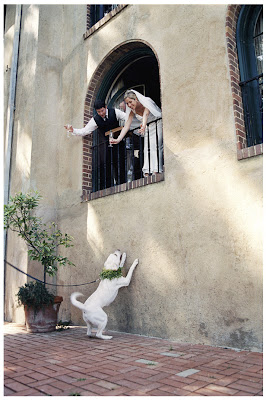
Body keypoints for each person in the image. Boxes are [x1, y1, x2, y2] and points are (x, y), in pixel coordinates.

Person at [64, 100, 126, 189]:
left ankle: (122, 186)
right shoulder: (95, 119)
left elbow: (127, 118)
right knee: (107, 167)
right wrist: (73, 130)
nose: (101, 113)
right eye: (98, 112)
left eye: (102, 110)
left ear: (105, 107)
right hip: (107, 147)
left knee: (120, 165)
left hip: (119, 143)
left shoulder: (115, 112)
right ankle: (109, 188)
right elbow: (85, 131)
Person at [110, 89, 163, 176]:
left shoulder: (146, 102)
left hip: (156, 124)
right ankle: (147, 170)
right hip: (146, 127)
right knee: (146, 148)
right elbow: (126, 126)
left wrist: (143, 125)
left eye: (131, 102)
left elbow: (146, 114)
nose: (129, 105)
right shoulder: (132, 111)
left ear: (136, 99)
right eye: (127, 103)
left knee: (156, 146)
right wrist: (118, 139)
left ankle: (156, 170)